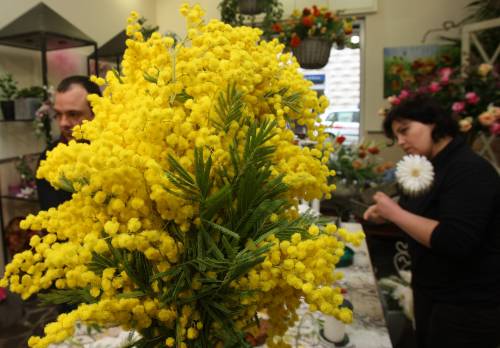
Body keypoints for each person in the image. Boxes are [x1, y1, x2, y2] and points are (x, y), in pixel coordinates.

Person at [363, 96, 500, 348]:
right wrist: (388, 215)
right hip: (431, 292)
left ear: (433, 123)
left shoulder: (469, 170)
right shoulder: (431, 167)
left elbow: (454, 239)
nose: (401, 141)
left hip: (465, 306)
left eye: (405, 131)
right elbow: (424, 220)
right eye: (397, 135)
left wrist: (396, 213)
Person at [36, 75, 101, 210]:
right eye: (58, 114)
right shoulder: (48, 159)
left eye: (73, 114)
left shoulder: (117, 154)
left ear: (96, 112)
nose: (63, 123)